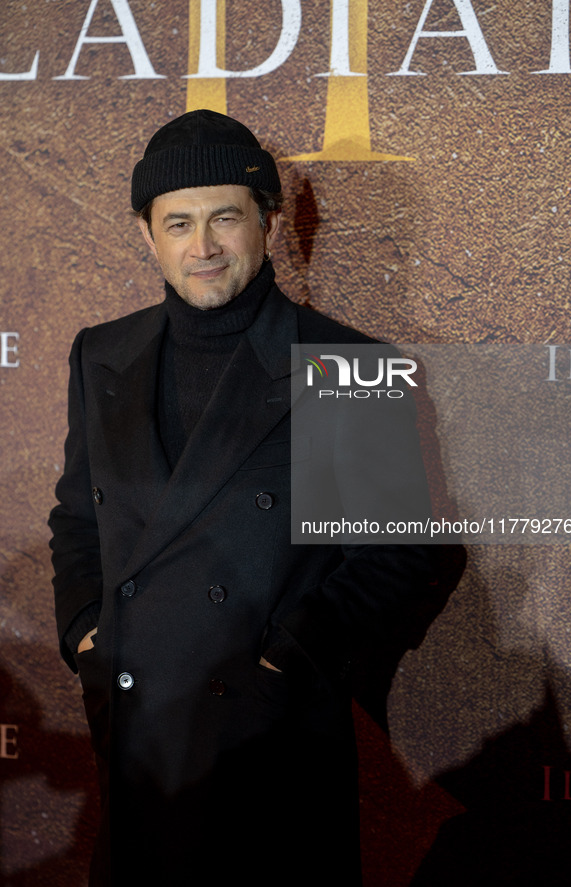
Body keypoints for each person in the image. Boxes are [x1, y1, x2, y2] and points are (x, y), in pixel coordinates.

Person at [49, 109, 449, 886]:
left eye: (224, 218)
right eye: (178, 223)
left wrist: (289, 659)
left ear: (267, 222)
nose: (201, 248)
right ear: (147, 235)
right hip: (139, 734)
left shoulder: (343, 362)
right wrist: (84, 632)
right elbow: (77, 517)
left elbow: (401, 553)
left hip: (271, 743)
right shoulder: (102, 352)